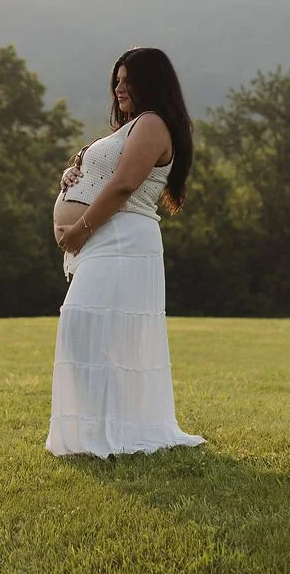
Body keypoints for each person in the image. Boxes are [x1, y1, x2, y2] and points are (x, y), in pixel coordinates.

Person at [45, 46, 207, 458]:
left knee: (85, 323)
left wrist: (78, 230)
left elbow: (122, 185)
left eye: (127, 80)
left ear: (150, 83)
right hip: (104, 241)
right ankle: (95, 430)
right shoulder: (134, 125)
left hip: (121, 241)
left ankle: (110, 432)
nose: (119, 88)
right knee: (96, 334)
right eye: (116, 81)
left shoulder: (152, 124)